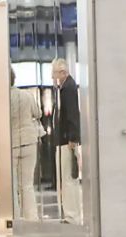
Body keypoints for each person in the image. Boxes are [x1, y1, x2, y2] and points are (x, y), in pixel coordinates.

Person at [51, 58, 82, 224]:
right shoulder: (64, 88)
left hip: (66, 141)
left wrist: (73, 137)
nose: (52, 77)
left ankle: (72, 215)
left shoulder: (68, 89)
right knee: (67, 179)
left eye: (54, 74)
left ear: (63, 73)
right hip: (63, 140)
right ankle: (70, 213)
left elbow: (72, 115)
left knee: (69, 179)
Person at [10, 67, 42, 221]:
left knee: (12, 185)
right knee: (27, 184)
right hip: (29, 142)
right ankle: (32, 218)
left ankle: (14, 218)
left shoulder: (3, 98)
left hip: (11, 144)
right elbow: (38, 113)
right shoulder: (26, 95)